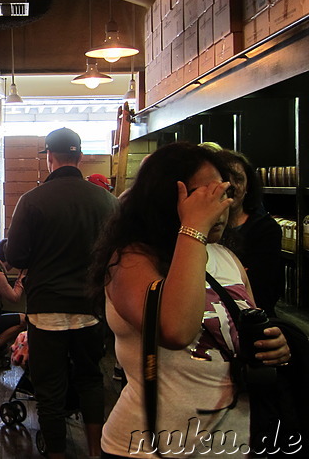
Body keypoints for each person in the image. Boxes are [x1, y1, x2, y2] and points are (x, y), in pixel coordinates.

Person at [90, 142, 291, 457]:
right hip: (149, 448)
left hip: (231, 444)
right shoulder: (131, 259)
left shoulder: (225, 257)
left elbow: (245, 326)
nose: (219, 206)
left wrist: (274, 344)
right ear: (166, 198)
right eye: (204, 196)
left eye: (222, 194)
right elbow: (175, 329)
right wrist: (193, 228)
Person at [5, 127, 118, 459]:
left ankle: (56, 454)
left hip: (46, 308)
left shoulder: (32, 200)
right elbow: (116, 253)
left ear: (49, 159)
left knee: (50, 388)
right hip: (90, 307)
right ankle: (95, 452)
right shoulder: (107, 201)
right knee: (90, 378)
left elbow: (16, 257)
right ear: (80, 157)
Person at [216, 149, 283, 317]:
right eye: (225, 179)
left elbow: (263, 288)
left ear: (248, 187)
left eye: (239, 179)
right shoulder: (204, 227)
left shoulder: (265, 228)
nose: (232, 186)